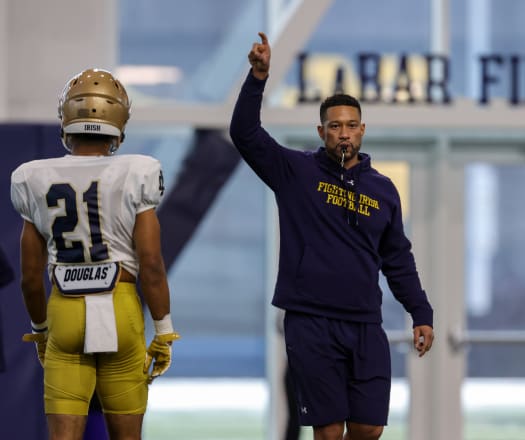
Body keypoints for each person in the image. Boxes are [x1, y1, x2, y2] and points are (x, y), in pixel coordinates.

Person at [230, 33, 434, 440]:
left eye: (352, 126)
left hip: (365, 322)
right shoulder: (295, 172)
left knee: (369, 428)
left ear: (362, 130)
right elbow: (245, 133)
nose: (344, 133)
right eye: (336, 126)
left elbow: (398, 259)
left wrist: (421, 312)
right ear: (321, 130)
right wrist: (258, 77)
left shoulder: (383, 190)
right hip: (312, 321)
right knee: (327, 433)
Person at [10, 68, 180, 440]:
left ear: (66, 120)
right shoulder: (138, 171)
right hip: (119, 304)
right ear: (119, 121)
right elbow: (150, 262)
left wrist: (41, 330)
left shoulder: (33, 177)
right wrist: (164, 330)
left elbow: (29, 277)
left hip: (64, 308)